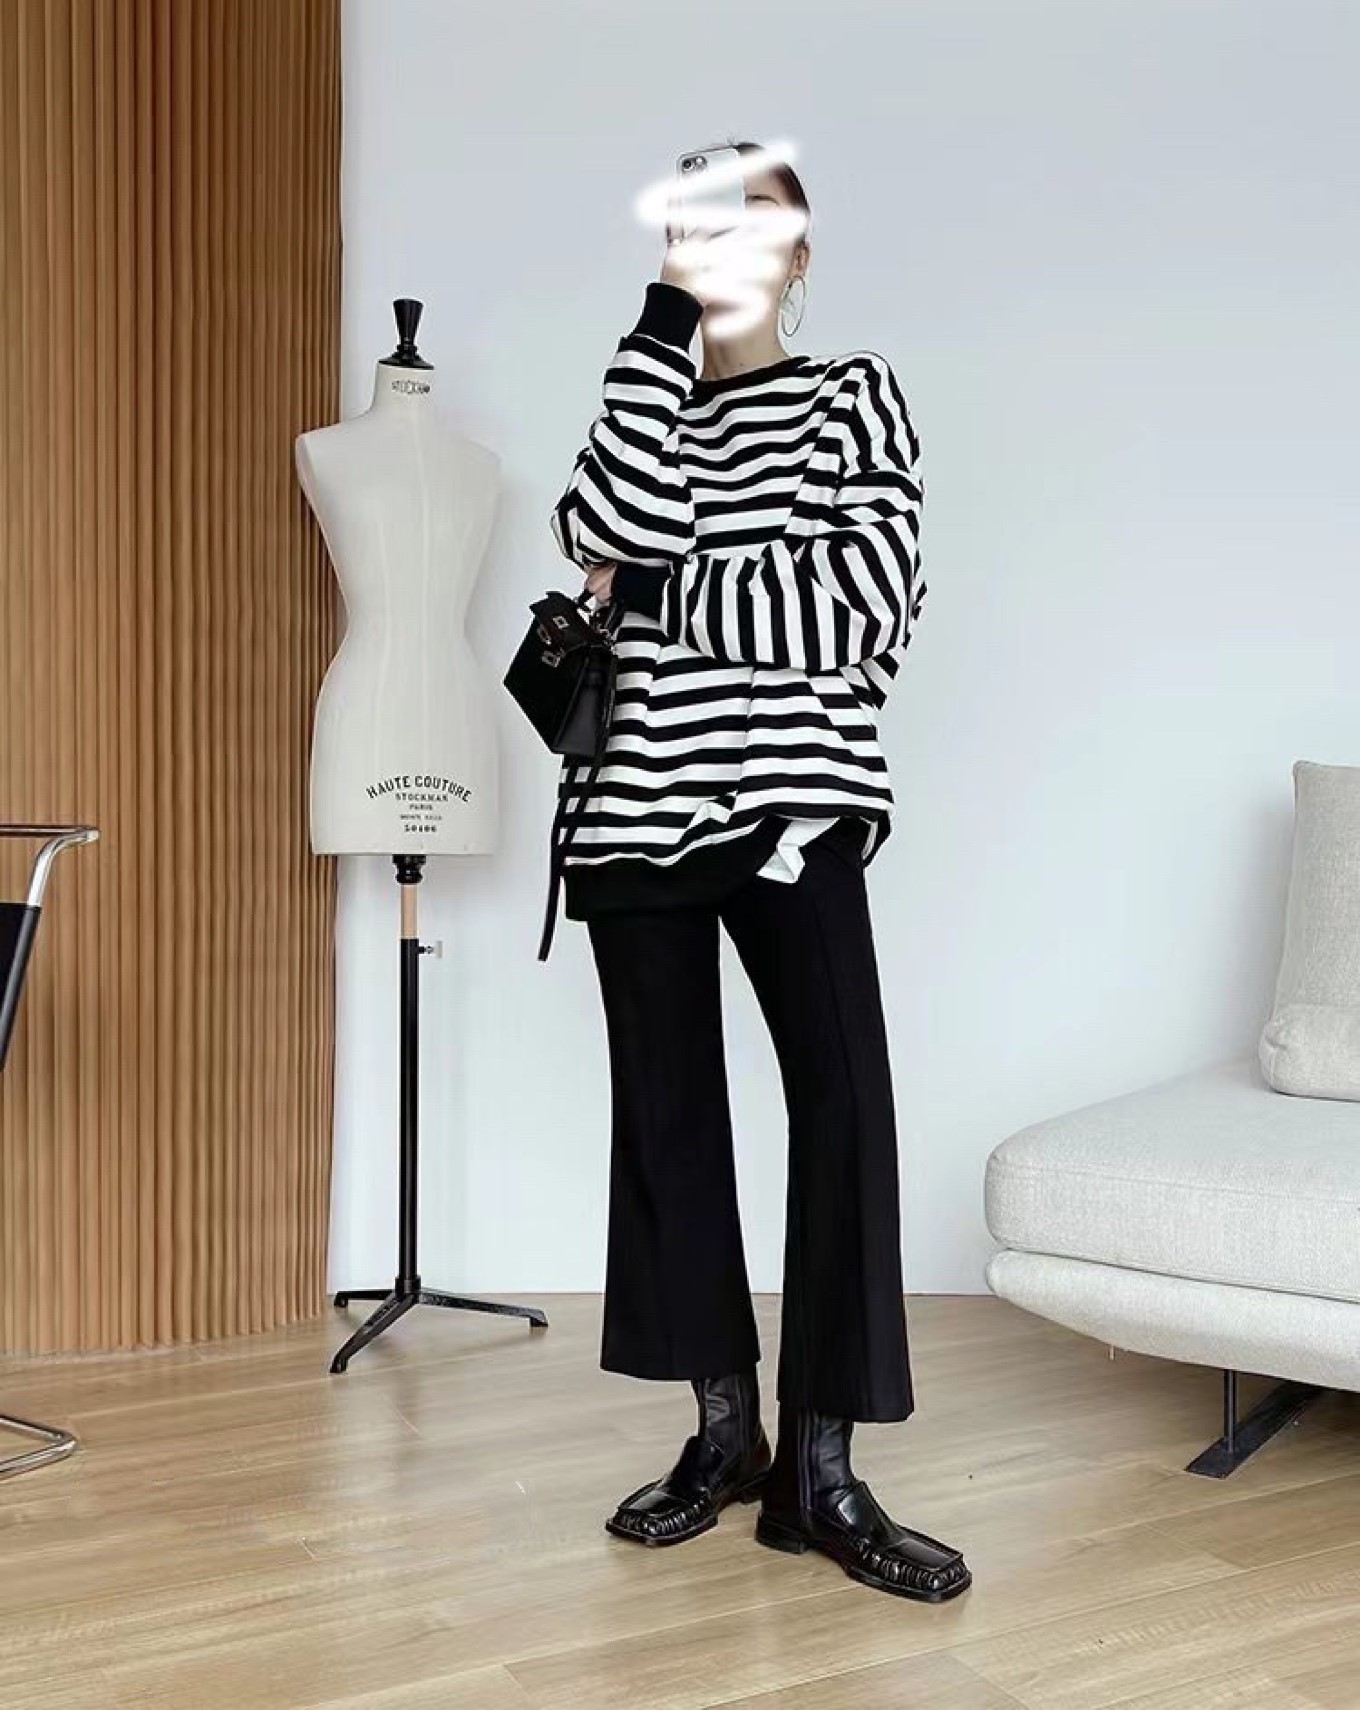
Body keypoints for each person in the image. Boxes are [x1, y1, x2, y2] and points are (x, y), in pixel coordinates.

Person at [546, 138, 971, 1603]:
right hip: (630, 814)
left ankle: (821, 1472)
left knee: (843, 1109)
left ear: (799, 254)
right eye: (699, 230)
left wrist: (660, 590)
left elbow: (857, 603)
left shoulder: (853, 393)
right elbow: (596, 527)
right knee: (668, 1126)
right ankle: (724, 1436)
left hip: (791, 807)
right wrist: (660, 328)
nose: (729, 247)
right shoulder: (643, 399)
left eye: (757, 224)